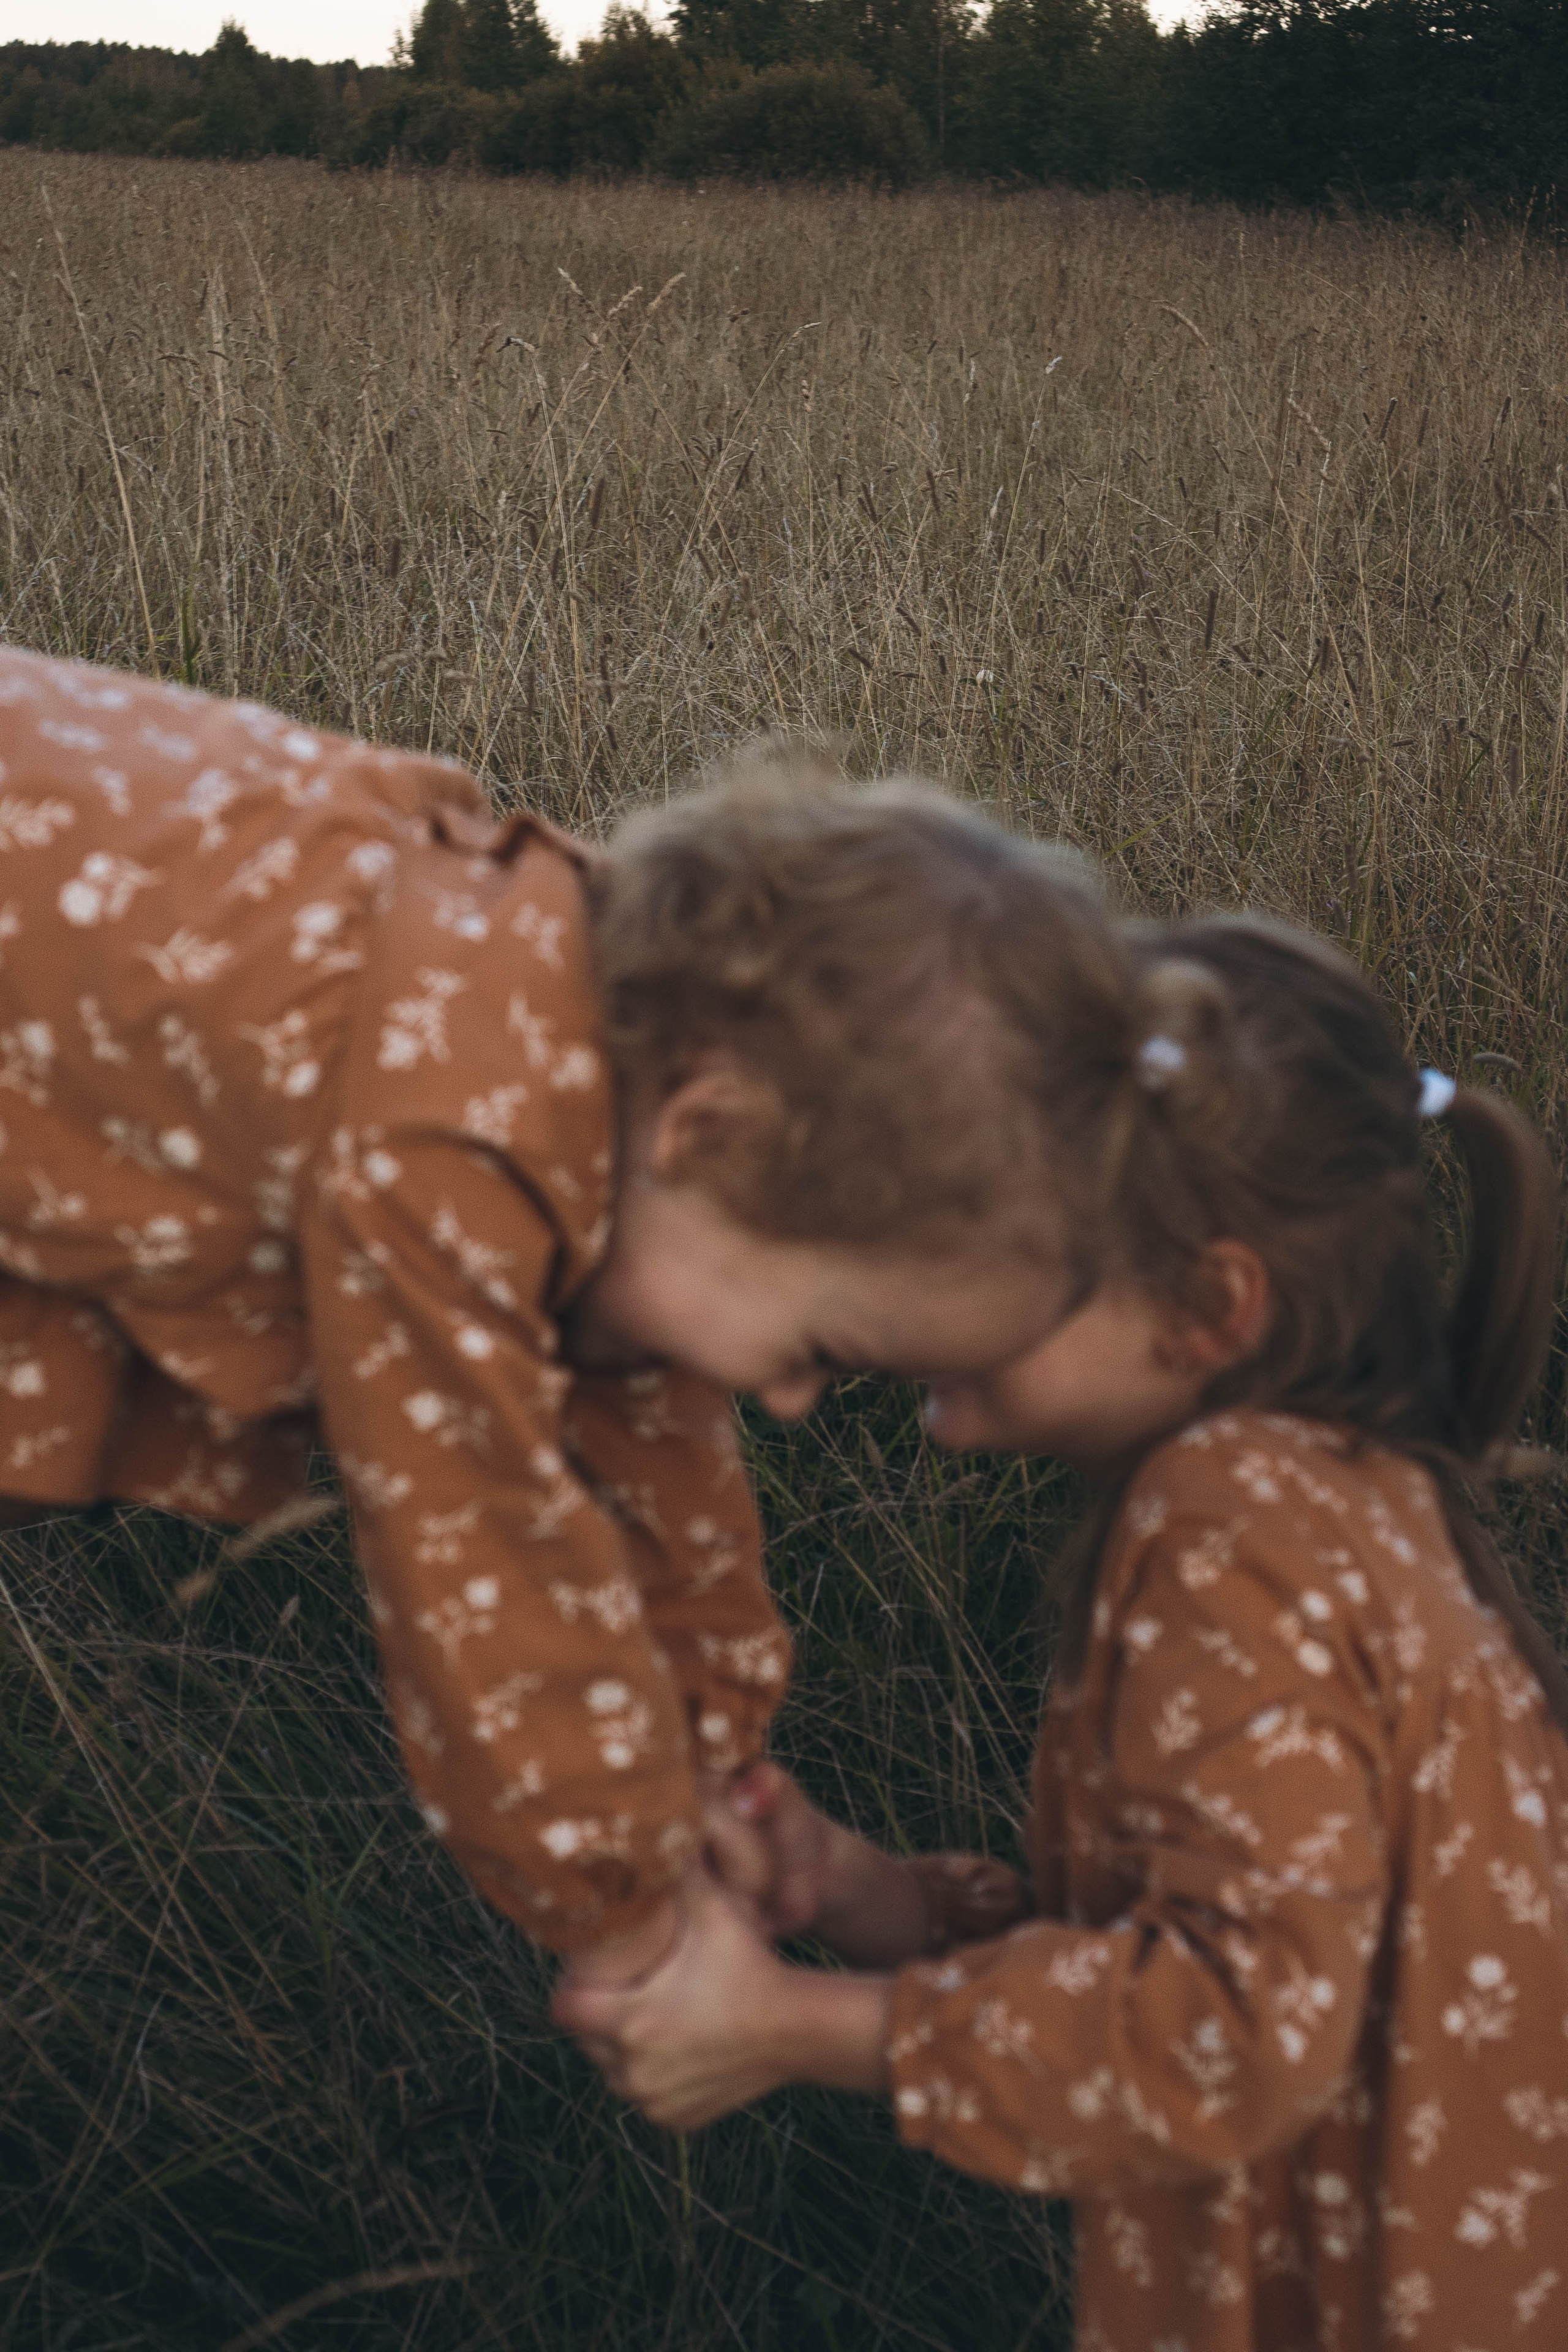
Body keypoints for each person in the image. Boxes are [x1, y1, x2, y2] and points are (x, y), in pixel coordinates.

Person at [0, 643, 1129, 1983]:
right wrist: (629, 1920)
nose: (784, 1399)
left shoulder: (613, 1074)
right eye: (822, 1352)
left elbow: (659, 1464)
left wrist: (719, 1778)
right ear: (709, 1131)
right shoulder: (455, 1129)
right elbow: (471, 1551)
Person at [558, 914, 1568, 2345]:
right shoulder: (1343, 1497)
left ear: (1207, 1307)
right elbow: (1231, 1938)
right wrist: (873, 1901)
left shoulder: (1220, 1525)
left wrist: (786, 2026)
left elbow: (1232, 2027)